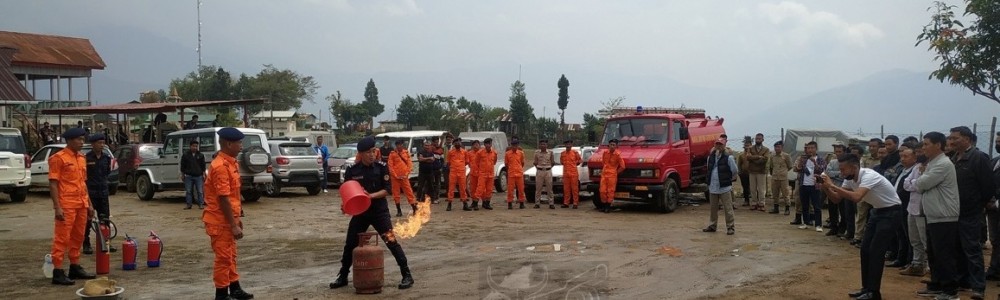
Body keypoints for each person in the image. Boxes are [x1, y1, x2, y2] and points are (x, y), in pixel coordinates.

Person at [330, 136, 414, 291]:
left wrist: (370, 196)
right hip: (361, 213)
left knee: (391, 242)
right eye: (368, 152)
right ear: (360, 154)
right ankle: (343, 276)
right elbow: (347, 192)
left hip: (379, 212)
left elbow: (387, 190)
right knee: (350, 244)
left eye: (373, 151)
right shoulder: (352, 171)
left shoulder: (381, 167)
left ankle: (406, 274)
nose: (372, 154)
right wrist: (346, 206)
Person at [819, 153, 902, 300]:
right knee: (865, 250)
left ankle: (874, 293)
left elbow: (857, 197)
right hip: (877, 211)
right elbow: (837, 199)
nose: (841, 172)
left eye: (844, 169)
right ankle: (867, 288)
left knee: (876, 251)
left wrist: (832, 185)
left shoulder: (869, 175)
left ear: (855, 167)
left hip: (891, 212)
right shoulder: (850, 179)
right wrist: (825, 188)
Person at [202, 128, 254, 300]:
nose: (241, 146)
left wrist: (237, 217)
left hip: (229, 218)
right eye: (239, 143)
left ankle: (235, 287)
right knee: (223, 258)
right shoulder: (220, 166)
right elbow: (223, 198)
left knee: (231, 256)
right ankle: (222, 294)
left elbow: (233, 194)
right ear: (229, 144)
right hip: (220, 221)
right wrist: (232, 224)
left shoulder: (231, 162)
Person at [912, 132, 962, 300]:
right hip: (934, 214)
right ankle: (937, 284)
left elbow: (921, 185)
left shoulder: (943, 164)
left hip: (944, 216)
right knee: (933, 252)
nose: (923, 147)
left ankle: (950, 290)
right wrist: (921, 178)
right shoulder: (933, 163)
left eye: (926, 144)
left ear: (938, 145)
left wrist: (920, 178)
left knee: (944, 254)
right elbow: (921, 184)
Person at [946, 126, 992, 299]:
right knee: (957, 248)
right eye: (950, 138)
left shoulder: (978, 157)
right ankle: (962, 280)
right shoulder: (954, 158)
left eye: (955, 138)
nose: (951, 141)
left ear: (966, 139)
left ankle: (978, 286)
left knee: (972, 249)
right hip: (954, 211)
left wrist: (978, 204)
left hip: (970, 212)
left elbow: (987, 186)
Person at [48, 128, 97, 285]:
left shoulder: (81, 158)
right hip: (66, 204)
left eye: (83, 139)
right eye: (78, 139)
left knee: (78, 237)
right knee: (62, 238)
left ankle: (74, 267)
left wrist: (89, 204)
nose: (82, 142)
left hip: (81, 203)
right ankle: (58, 271)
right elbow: (53, 183)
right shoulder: (58, 158)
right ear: (69, 141)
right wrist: (57, 207)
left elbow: (83, 183)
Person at [82, 133, 116, 254]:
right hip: (91, 193)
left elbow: (107, 173)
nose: (102, 145)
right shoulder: (86, 158)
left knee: (105, 219)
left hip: (103, 193)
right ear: (93, 144)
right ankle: (86, 244)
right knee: (88, 220)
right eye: (99, 143)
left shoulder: (106, 158)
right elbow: (83, 177)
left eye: (103, 143)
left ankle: (106, 242)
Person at [900, 145, 929, 277]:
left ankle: (929, 267)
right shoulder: (917, 167)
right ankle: (917, 264)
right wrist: (917, 183)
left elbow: (924, 186)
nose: (919, 153)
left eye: (921, 151)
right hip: (912, 208)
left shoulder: (933, 167)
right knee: (914, 239)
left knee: (925, 240)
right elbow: (905, 184)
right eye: (917, 151)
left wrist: (915, 183)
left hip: (924, 209)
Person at [702, 138, 739, 235]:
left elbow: (734, 170)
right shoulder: (710, 157)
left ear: (724, 146)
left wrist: (728, 179)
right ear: (714, 145)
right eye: (717, 144)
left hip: (724, 187)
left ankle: (730, 227)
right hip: (713, 186)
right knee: (713, 208)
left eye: (721, 144)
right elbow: (709, 169)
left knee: (728, 208)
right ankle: (712, 225)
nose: (719, 146)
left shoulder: (729, 158)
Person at [793, 141, 826, 232]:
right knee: (805, 205)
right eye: (808, 148)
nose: (810, 150)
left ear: (816, 149)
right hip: (803, 184)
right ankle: (806, 222)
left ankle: (818, 224)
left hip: (815, 185)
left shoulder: (820, 159)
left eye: (812, 148)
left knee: (816, 206)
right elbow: (797, 169)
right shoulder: (803, 158)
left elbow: (822, 169)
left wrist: (814, 162)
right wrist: (800, 163)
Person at [388, 139, 418, 216]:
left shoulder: (406, 153)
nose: (399, 146)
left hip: (404, 177)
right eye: (397, 145)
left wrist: (406, 174)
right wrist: (395, 175)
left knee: (409, 192)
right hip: (395, 178)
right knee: (396, 194)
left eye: (400, 144)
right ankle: (399, 210)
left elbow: (410, 164)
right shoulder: (392, 154)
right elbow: (390, 166)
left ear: (402, 145)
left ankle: (414, 208)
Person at [985, 133, 1000, 281]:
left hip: (996, 204)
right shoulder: (994, 161)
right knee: (995, 240)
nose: (997, 144)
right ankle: (995, 269)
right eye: (996, 141)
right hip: (992, 207)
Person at [599, 139, 625, 213]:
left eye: (614, 145)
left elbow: (623, 166)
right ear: (608, 145)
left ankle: (608, 207)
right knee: (602, 191)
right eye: (611, 144)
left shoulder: (618, 155)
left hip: (612, 175)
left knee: (610, 191)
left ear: (616, 146)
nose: (612, 146)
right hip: (604, 174)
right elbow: (603, 162)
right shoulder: (605, 153)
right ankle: (603, 205)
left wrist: (616, 172)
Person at [746, 133, 770, 211]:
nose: (758, 140)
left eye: (759, 139)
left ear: (762, 139)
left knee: (761, 189)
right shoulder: (750, 148)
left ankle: (761, 203)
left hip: (761, 171)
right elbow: (748, 157)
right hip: (752, 171)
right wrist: (759, 157)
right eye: (756, 139)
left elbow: (765, 159)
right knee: (752, 188)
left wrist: (754, 159)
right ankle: (754, 203)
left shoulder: (766, 149)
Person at [767, 140, 792, 214]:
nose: (777, 148)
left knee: (785, 194)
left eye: (778, 147)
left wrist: (783, 172)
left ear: (782, 147)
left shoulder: (786, 156)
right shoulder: (772, 156)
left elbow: (790, 166)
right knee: (775, 193)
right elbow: (771, 166)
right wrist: (773, 173)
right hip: (775, 177)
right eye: (775, 147)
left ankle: (787, 208)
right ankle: (776, 208)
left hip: (783, 178)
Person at [182, 140, 207, 210]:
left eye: (196, 146)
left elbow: (203, 166)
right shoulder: (186, 155)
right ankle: (189, 204)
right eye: (193, 146)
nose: (195, 148)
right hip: (188, 176)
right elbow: (182, 166)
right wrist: (182, 174)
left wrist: (204, 174)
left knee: (200, 191)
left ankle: (201, 204)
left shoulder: (200, 155)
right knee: (188, 191)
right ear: (190, 146)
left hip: (198, 176)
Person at [474, 138, 498, 210]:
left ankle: (487, 203)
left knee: (489, 189)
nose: (488, 145)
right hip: (483, 174)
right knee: (480, 189)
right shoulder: (480, 153)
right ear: (484, 144)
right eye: (487, 143)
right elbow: (477, 162)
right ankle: (475, 203)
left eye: (490, 143)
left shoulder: (494, 153)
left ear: (491, 144)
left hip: (490, 174)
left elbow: (494, 162)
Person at [445, 138, 468, 211]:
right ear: (454, 144)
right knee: (451, 189)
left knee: (463, 188)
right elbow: (448, 162)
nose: (458, 143)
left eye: (459, 142)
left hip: (461, 172)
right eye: (456, 142)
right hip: (453, 172)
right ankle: (449, 204)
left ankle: (465, 204)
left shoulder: (464, 152)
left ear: (461, 143)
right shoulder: (450, 152)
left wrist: (460, 167)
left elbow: (467, 162)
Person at [505, 137, 527, 209]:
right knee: (510, 189)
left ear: (518, 146)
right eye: (513, 145)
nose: (514, 146)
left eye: (516, 145)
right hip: (511, 173)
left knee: (521, 189)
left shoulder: (521, 153)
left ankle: (521, 203)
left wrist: (518, 168)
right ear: (511, 146)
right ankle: (510, 203)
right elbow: (506, 164)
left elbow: (522, 163)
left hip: (519, 173)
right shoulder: (507, 154)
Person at [533, 139, 556, 209]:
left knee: (549, 188)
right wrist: (540, 168)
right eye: (541, 144)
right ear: (539, 145)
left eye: (544, 144)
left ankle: (551, 203)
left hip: (548, 171)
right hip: (539, 171)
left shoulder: (550, 152)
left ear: (547, 145)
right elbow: (535, 163)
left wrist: (548, 168)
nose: (543, 145)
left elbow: (553, 162)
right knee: (538, 188)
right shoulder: (536, 153)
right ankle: (537, 203)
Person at [561, 140, 582, 209]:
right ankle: (566, 203)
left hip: (573, 173)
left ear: (571, 145)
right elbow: (562, 162)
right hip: (566, 173)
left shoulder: (575, 152)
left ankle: (575, 203)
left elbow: (579, 161)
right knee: (566, 189)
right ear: (565, 145)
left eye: (569, 144)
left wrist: (574, 165)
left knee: (574, 189)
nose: (568, 145)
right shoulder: (563, 153)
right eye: (567, 144)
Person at [466, 140, 482, 210]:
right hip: (472, 173)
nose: (476, 146)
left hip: (481, 174)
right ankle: (473, 202)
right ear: (472, 146)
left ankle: (479, 202)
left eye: (477, 144)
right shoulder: (469, 153)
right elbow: (468, 162)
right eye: (474, 144)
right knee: (472, 189)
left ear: (479, 145)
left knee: (480, 189)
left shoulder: (482, 153)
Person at [737, 138, 752, 207]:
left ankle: (756, 201)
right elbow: (739, 164)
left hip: (752, 173)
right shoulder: (741, 155)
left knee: (754, 188)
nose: (747, 147)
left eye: (748, 145)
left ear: (751, 146)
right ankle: (746, 200)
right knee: (745, 187)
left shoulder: (753, 154)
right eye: (745, 146)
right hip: (744, 174)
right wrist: (740, 172)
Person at [430, 136, 444, 204]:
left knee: (438, 184)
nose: (436, 143)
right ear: (432, 142)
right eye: (435, 142)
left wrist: (441, 167)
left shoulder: (440, 149)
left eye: (437, 142)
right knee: (431, 184)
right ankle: (431, 198)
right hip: (431, 169)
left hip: (438, 169)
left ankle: (436, 198)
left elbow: (442, 159)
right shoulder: (429, 149)